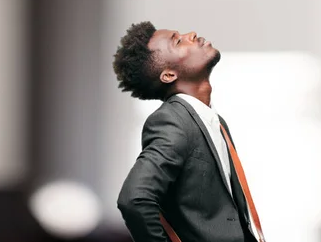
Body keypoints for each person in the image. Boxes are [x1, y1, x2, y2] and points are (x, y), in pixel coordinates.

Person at [113, 21, 265, 242]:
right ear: (168, 75)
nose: (191, 34)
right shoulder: (172, 120)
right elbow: (134, 198)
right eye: (177, 41)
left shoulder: (213, 120)